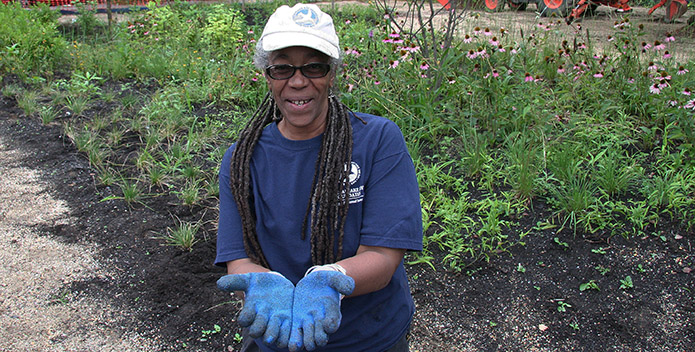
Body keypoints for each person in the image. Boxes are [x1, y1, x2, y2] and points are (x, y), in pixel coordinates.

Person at [215, 3, 422, 351]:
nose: (298, 81)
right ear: (267, 75)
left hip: (369, 338)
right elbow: (239, 258)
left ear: (332, 73)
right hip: (277, 336)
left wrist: (331, 280)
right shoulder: (242, 159)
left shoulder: (378, 141)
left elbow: (384, 258)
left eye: (314, 66)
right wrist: (266, 284)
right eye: (282, 68)